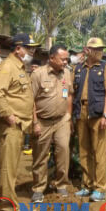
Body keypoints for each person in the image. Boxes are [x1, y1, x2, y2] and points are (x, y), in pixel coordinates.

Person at [0, 33, 40, 211]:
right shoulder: (7, 67)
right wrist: (9, 116)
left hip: (16, 127)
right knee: (7, 171)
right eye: (29, 48)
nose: (32, 52)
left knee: (3, 168)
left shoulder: (18, 67)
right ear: (18, 49)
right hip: (9, 127)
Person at [72, 38, 106, 202]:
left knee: (99, 152)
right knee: (84, 150)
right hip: (81, 112)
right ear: (87, 50)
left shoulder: (105, 67)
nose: (100, 52)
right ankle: (87, 185)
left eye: (101, 49)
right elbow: (73, 91)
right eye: (96, 49)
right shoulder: (78, 69)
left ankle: (100, 188)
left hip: (97, 114)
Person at [30, 45, 74, 202]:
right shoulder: (38, 74)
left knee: (63, 151)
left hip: (62, 120)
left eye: (67, 59)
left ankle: (61, 184)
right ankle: (38, 188)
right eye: (63, 59)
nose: (65, 62)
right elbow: (31, 100)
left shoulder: (67, 73)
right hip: (42, 122)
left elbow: (69, 95)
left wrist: (68, 115)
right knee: (40, 155)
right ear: (52, 58)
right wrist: (35, 122)